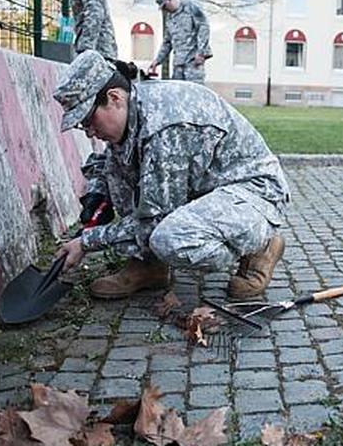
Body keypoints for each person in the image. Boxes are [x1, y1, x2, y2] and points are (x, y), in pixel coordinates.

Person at [53, 51, 289, 301]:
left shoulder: (165, 127)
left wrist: (86, 242)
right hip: (209, 188)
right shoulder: (134, 113)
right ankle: (151, 266)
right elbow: (107, 168)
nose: (90, 132)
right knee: (115, 169)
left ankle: (260, 246)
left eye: (89, 120)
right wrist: (97, 196)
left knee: (170, 238)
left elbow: (155, 221)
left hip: (254, 191)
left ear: (114, 98)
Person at [149, 0, 211, 83]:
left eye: (165, 6)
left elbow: (204, 27)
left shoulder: (190, 7)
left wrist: (201, 52)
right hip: (178, 63)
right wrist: (157, 61)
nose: (165, 10)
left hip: (193, 61)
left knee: (194, 92)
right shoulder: (169, 18)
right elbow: (167, 42)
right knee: (178, 93)